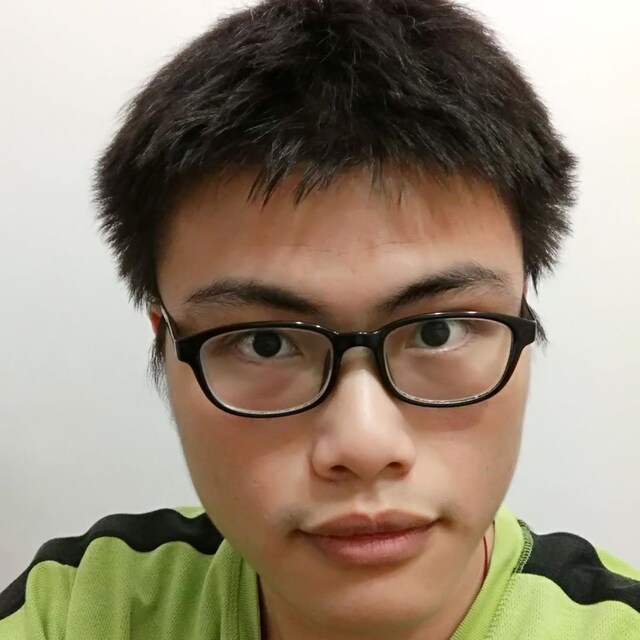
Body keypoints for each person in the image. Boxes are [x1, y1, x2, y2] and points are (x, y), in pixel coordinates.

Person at [1, 0, 638, 638]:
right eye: (265, 342)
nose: (364, 447)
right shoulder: (77, 610)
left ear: (523, 320)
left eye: (438, 331)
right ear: (166, 347)